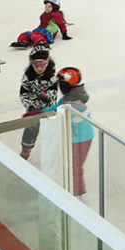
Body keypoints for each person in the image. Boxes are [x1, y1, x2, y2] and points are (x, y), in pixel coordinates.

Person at [49, 67, 94, 196]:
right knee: (74, 164)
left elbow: (58, 110)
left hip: (81, 138)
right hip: (78, 137)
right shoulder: (72, 97)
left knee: (76, 166)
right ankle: (76, 189)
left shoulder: (71, 102)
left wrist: (40, 114)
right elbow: (57, 107)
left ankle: (78, 192)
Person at [17, 45, 59, 159]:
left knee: (51, 131)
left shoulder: (51, 76)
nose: (40, 68)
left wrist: (47, 98)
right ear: (31, 63)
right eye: (36, 65)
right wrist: (30, 106)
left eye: (43, 65)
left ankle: (52, 152)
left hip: (48, 110)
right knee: (31, 129)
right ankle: (26, 149)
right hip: (34, 109)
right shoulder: (28, 77)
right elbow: (23, 94)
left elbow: (54, 93)